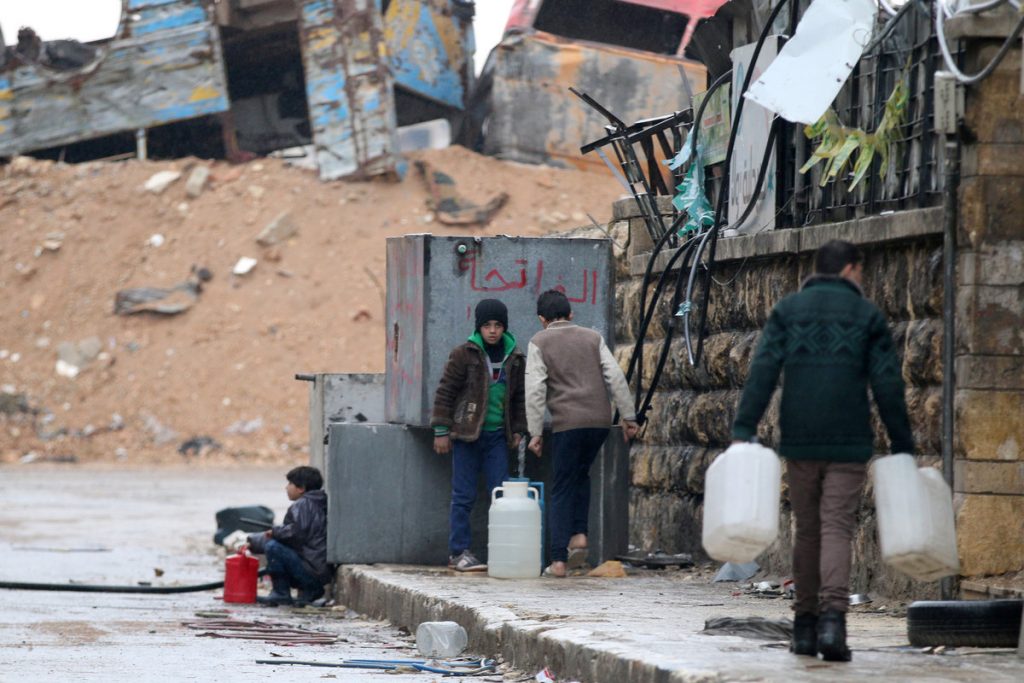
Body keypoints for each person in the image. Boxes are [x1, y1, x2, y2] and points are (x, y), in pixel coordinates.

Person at [730, 240, 914, 662]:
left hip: (800, 438)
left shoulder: (788, 311)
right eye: (861, 272)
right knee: (837, 529)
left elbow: (763, 369)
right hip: (848, 439)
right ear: (851, 269)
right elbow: (888, 383)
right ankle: (834, 622)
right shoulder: (866, 315)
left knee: (808, 529)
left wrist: (745, 426)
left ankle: (805, 627)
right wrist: (902, 441)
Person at [525, 289, 639, 578]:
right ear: (571, 314)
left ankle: (558, 560)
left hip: (568, 423)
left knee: (562, 485)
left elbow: (535, 390)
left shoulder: (539, 341)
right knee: (580, 475)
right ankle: (579, 535)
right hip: (598, 422)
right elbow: (615, 377)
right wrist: (629, 417)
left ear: (542, 319)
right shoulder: (592, 337)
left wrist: (535, 432)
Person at [432, 299, 527, 572]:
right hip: (466, 436)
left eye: (498, 325)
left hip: (497, 437)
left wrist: (519, 429)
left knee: (501, 495)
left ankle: (502, 551)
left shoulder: (515, 358)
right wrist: (441, 430)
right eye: (487, 325)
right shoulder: (464, 354)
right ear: (479, 327)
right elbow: (445, 392)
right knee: (463, 495)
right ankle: (458, 552)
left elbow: (519, 398)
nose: (493, 331)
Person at [247, 466, 330, 606]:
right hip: (319, 569)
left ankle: (281, 593)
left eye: (290, 483)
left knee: (273, 547)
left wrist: (275, 532)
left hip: (311, 571)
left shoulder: (303, 505)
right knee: (274, 544)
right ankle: (308, 589)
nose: (286, 488)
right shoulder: (317, 503)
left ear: (301, 488)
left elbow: (295, 534)